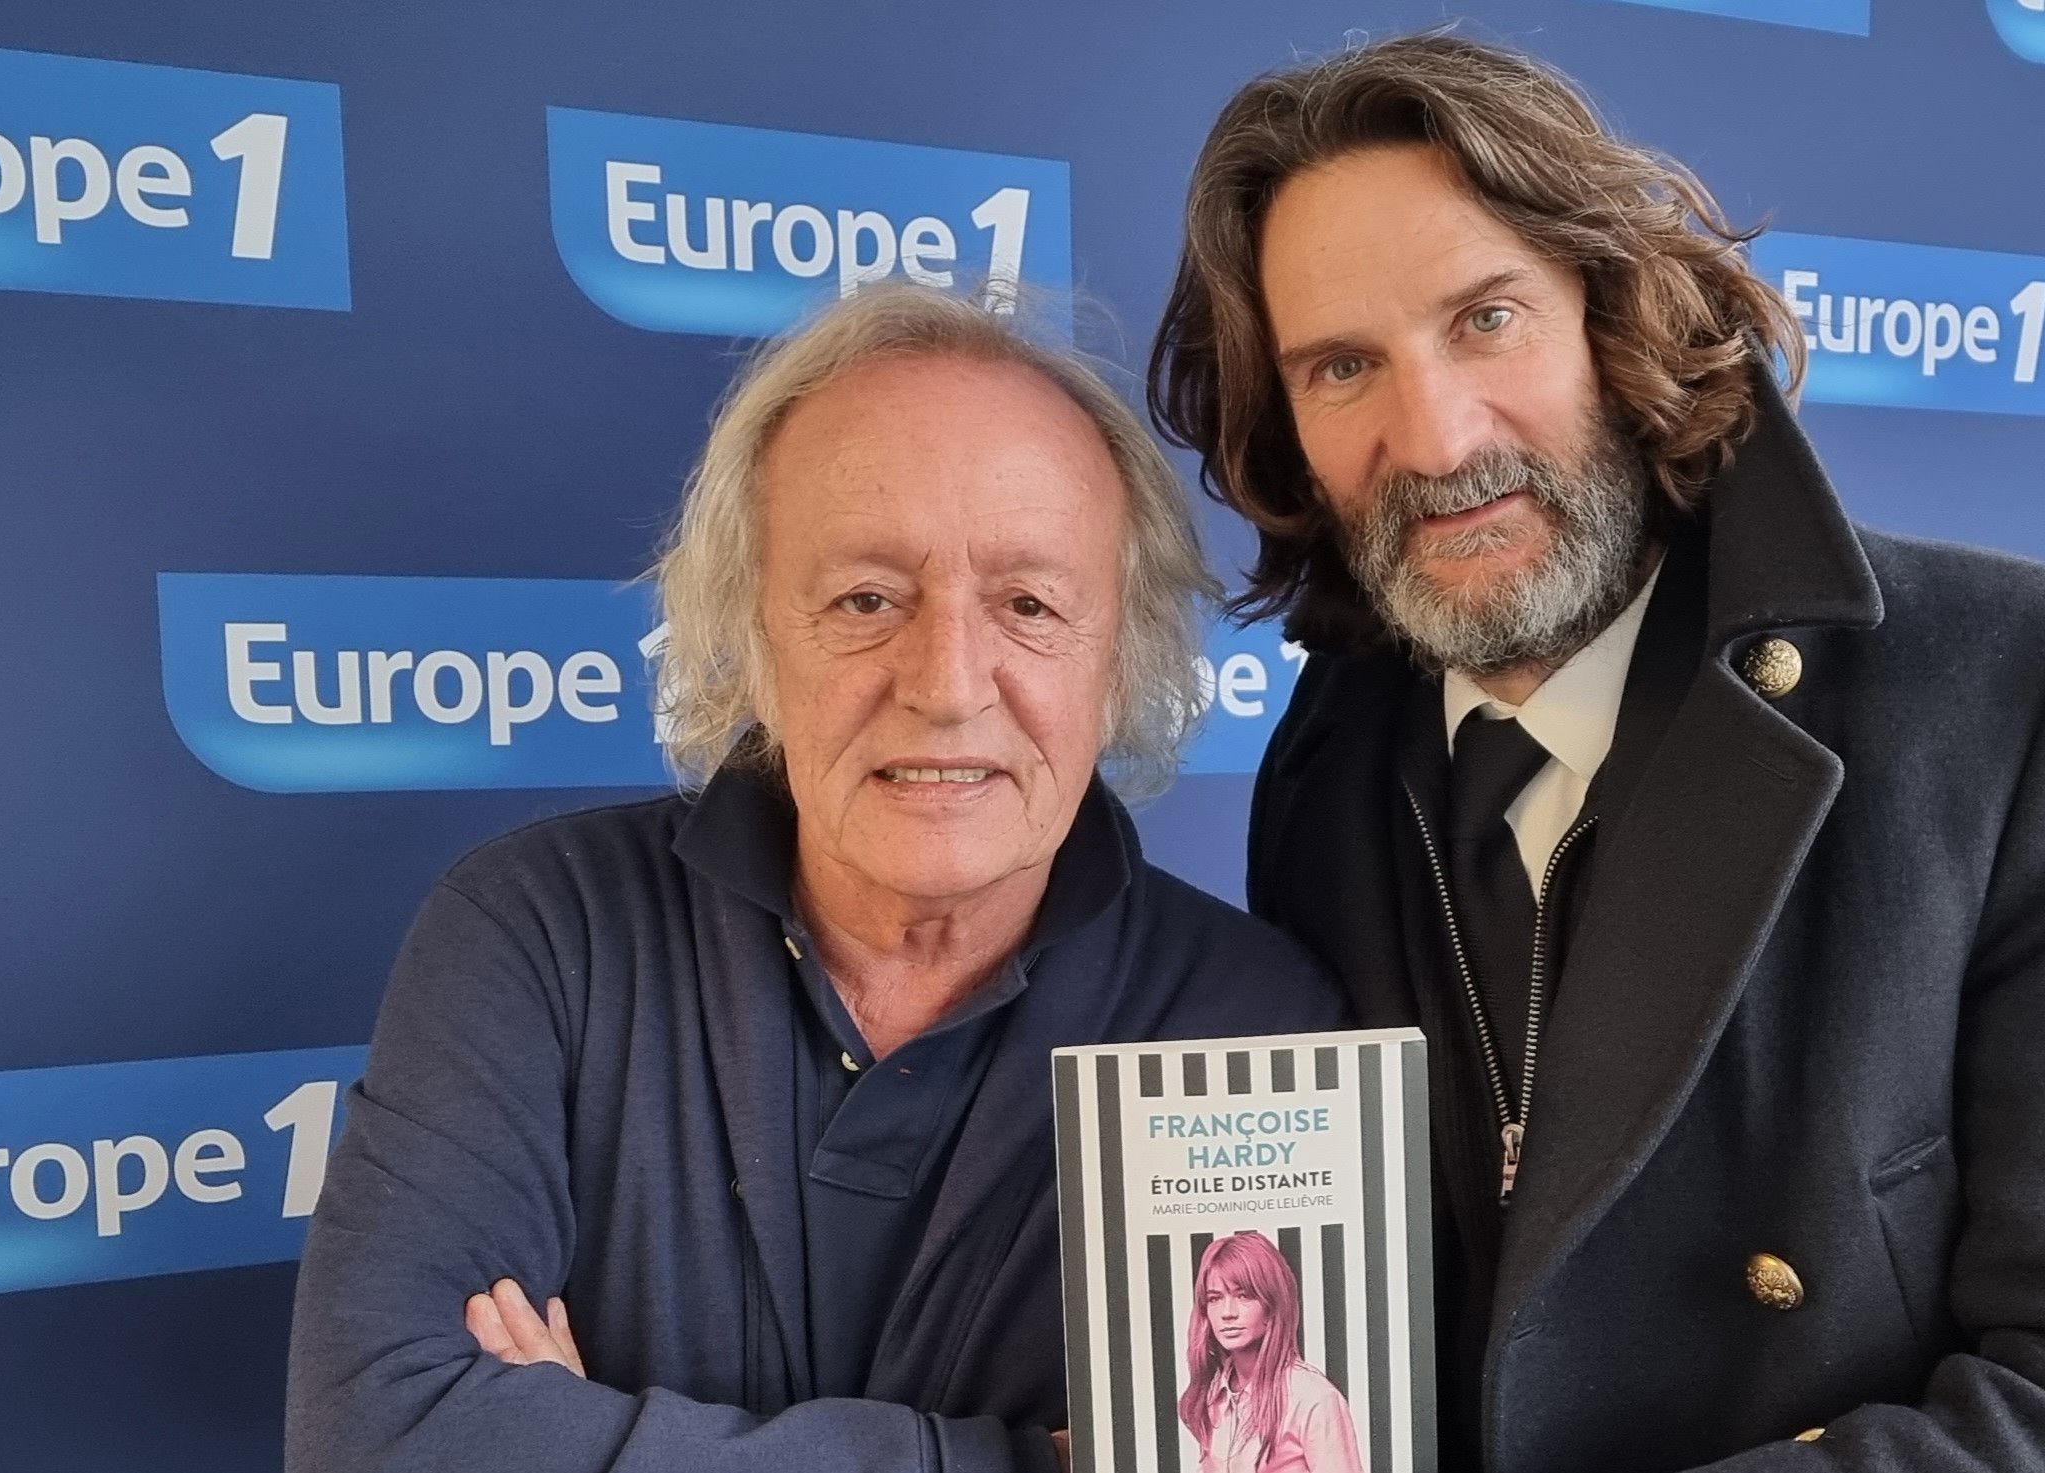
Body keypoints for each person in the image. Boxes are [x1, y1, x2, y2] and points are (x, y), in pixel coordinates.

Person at [1147, 32, 2045, 1473]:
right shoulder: (1328, 764)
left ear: (1611, 316)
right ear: (1284, 429)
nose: (1434, 437)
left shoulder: (2036, 692)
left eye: (1487, 319)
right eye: (1343, 366)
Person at [284, 283, 1345, 1473]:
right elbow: (384, 1441)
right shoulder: (539, 934)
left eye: (1029, 604)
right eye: (866, 599)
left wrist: (580, 1435)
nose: (947, 683)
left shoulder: (1254, 1030)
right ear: (753, 640)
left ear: (1119, 659)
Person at [1178, 1232, 1363, 1473]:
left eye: (1244, 1296)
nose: (1228, 1312)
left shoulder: (1314, 1397)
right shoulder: (1214, 1395)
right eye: (1215, 1299)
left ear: (1272, 1305)